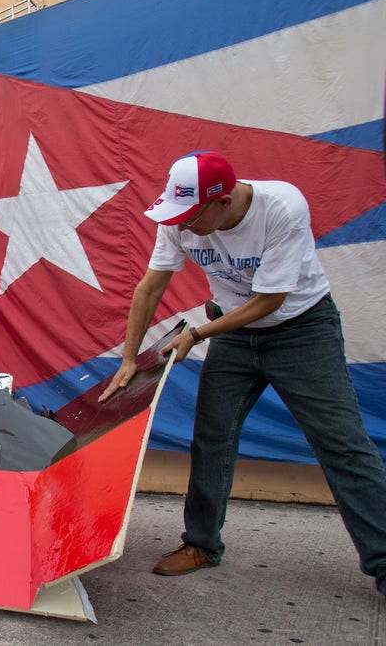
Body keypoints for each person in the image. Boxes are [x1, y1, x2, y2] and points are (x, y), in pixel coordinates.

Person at [98, 151, 386, 593]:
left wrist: (196, 335)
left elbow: (270, 301)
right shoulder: (177, 218)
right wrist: (129, 358)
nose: (183, 225)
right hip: (233, 331)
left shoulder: (282, 208)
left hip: (301, 330)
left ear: (225, 201)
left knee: (342, 445)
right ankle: (201, 544)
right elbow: (151, 285)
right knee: (212, 438)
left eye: (193, 216)